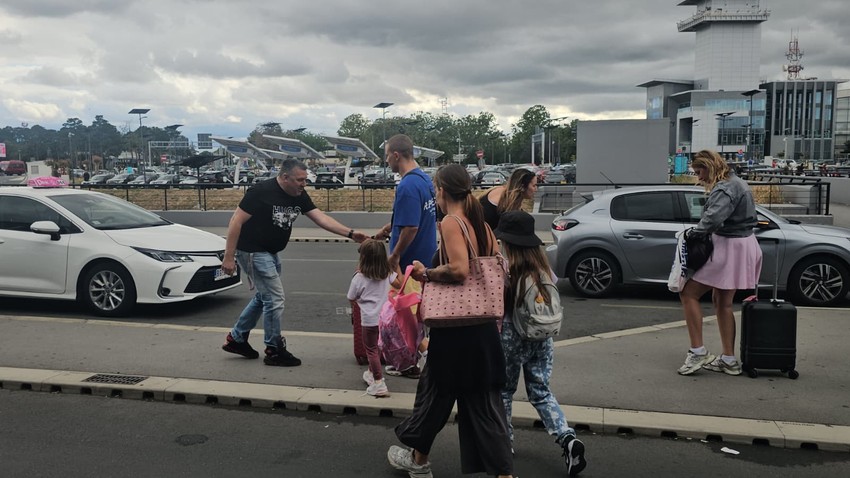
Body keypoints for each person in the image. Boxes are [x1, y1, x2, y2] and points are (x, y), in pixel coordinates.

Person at [388, 164, 514, 478]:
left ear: (441, 191)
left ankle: (418, 463)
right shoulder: (481, 225)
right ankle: (502, 473)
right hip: (482, 328)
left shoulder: (450, 222)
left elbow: (459, 270)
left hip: (454, 328)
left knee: (436, 394)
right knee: (483, 402)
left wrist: (425, 273)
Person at [220, 158, 369, 366]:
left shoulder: (298, 195)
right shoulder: (261, 191)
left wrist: (351, 233)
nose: (303, 184)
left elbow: (320, 218)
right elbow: (235, 220)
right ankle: (274, 349)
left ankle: (237, 338)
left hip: (271, 252)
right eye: (300, 180)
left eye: (305, 180)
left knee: (265, 297)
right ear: (284, 177)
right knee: (275, 298)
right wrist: (229, 256)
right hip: (253, 251)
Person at [494, 210, 587, 476]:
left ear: (508, 242)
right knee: (541, 392)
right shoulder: (542, 266)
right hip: (542, 336)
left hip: (513, 335)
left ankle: (504, 445)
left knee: (504, 392)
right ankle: (567, 438)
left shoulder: (507, 268)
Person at [677, 150, 762, 376]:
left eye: (699, 172)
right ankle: (728, 359)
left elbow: (713, 219)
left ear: (708, 166)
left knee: (688, 293)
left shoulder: (724, 187)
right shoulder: (737, 182)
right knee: (723, 301)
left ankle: (698, 351)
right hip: (743, 244)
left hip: (728, 245)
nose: (699, 178)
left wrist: (693, 233)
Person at [374, 134, 438, 272]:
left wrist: (395, 254)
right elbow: (417, 215)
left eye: (387, 155)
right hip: (426, 260)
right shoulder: (424, 179)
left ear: (396, 156)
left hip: (410, 266)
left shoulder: (407, 186)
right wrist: (389, 227)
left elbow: (411, 227)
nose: (386, 160)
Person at [347, 239, 401, 397]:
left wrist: (358, 301)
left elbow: (351, 296)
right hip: (385, 319)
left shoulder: (359, 277)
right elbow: (399, 284)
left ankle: (379, 383)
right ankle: (371, 373)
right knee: (378, 347)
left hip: (369, 319)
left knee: (370, 350)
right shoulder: (388, 274)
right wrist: (395, 265)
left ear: (363, 258)